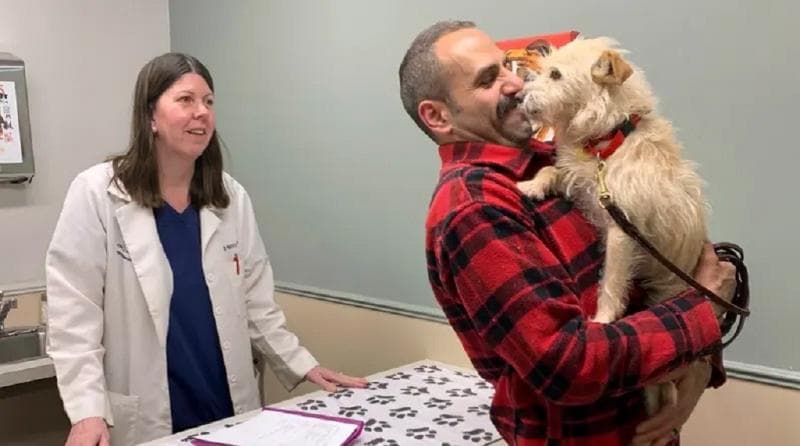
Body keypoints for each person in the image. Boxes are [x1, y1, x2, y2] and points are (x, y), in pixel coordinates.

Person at [399, 21, 737, 446]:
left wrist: (699, 367)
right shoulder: (476, 209)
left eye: (507, 66)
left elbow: (677, 251)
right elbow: (567, 364)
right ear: (438, 115)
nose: (517, 84)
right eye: (488, 79)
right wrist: (704, 312)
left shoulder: (568, 158)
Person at [46, 52, 367, 446]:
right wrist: (87, 412)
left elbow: (257, 304)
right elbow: (74, 316)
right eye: (185, 100)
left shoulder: (229, 197)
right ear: (150, 116)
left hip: (227, 405)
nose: (201, 113)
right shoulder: (99, 193)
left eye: (209, 102)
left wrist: (305, 364)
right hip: (149, 415)